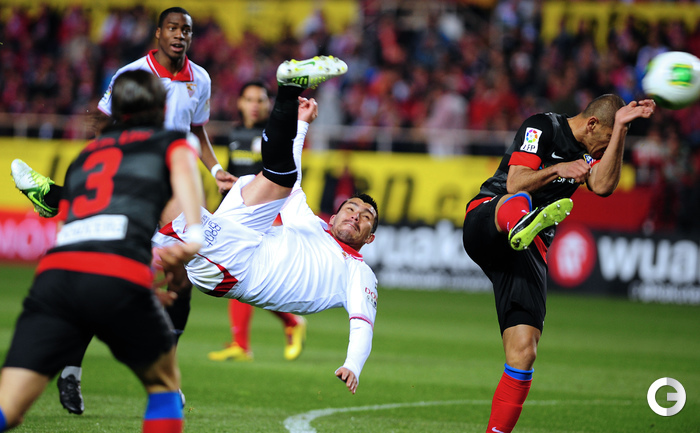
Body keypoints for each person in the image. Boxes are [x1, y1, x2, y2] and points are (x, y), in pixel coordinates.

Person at [10, 6, 237, 416]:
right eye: (172, 28)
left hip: (60, 269)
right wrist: (194, 240)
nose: (180, 35)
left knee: (11, 404)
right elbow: (190, 221)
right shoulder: (165, 135)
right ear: (158, 34)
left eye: (186, 30)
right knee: (156, 355)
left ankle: (54, 196)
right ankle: (88, 371)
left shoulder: (196, 81)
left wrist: (216, 169)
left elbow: (195, 127)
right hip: (141, 217)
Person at [155, 56, 375, 394]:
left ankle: (100, 200)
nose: (356, 215)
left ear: (370, 238)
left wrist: (353, 364)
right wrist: (301, 125)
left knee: (162, 189)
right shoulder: (313, 225)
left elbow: (362, 324)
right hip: (247, 234)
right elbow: (292, 181)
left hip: (235, 267)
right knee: (280, 178)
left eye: (365, 217)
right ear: (332, 217)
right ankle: (288, 86)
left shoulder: (358, 272)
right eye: (351, 208)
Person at [0, 70, 204, 433]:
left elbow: (72, 230)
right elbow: (187, 192)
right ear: (162, 107)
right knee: (164, 387)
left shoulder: (86, 157)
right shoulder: (172, 143)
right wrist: (192, 240)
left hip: (55, 278)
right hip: (118, 275)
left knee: (9, 407)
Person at [461, 94, 655, 433]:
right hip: (489, 218)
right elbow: (515, 182)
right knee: (519, 199)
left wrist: (622, 129)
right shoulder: (542, 126)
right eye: (606, 139)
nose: (604, 150)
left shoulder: (592, 151)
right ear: (591, 124)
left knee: (524, 353)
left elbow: (603, 185)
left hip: (529, 248)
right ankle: (521, 220)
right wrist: (557, 170)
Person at [207, 81, 307, 363]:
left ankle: (251, 339)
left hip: (268, 211)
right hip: (241, 211)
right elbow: (235, 174)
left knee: (245, 271)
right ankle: (285, 324)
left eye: (261, 100)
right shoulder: (236, 134)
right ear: (239, 103)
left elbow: (282, 173)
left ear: (268, 104)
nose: (255, 105)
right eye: (249, 99)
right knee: (239, 270)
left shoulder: (274, 133)